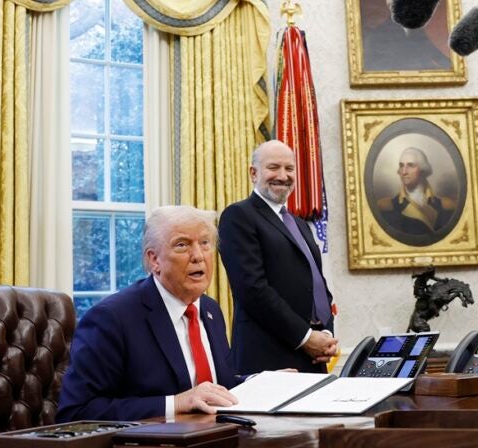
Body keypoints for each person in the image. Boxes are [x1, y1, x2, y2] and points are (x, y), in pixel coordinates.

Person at [56, 205, 239, 422]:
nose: (198, 256)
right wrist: (176, 403)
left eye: (205, 243)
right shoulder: (112, 318)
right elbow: (77, 411)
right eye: (182, 245)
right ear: (154, 260)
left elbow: (220, 385)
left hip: (218, 441)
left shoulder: (210, 310)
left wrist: (267, 383)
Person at [218, 140, 338, 374]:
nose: (283, 176)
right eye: (274, 167)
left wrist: (325, 335)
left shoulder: (300, 224)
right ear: (254, 173)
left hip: (313, 358)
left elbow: (318, 285)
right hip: (268, 359)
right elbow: (252, 289)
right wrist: (306, 338)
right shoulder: (238, 216)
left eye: (289, 169)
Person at [376, 147, 455, 237]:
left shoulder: (446, 206)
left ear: (422, 169)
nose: (404, 172)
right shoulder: (387, 207)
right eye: (401, 166)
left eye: (410, 165)